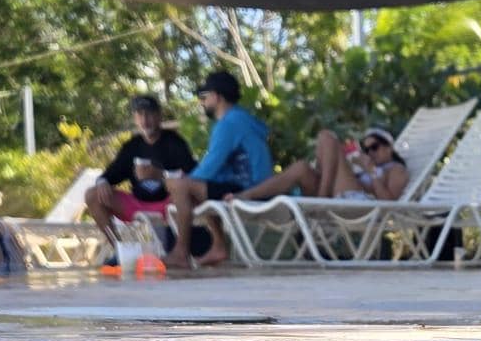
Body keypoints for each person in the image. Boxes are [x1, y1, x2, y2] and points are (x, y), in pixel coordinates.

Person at [163, 70, 273, 268]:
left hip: (249, 190)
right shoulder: (242, 118)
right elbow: (217, 169)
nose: (202, 102)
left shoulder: (229, 123)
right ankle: (218, 246)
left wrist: (181, 183)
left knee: (181, 186)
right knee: (195, 186)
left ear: (218, 96)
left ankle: (180, 252)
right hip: (257, 186)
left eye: (204, 97)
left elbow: (210, 166)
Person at [84, 94, 198, 242]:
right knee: (92, 194)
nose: (145, 120)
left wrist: (160, 175)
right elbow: (110, 174)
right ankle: (120, 249)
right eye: (140, 114)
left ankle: (180, 248)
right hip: (137, 204)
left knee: (186, 193)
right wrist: (103, 182)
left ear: (159, 116)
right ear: (135, 118)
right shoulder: (132, 145)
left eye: (149, 114)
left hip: (168, 205)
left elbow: (193, 178)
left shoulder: (174, 142)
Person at [227, 127, 409, 203]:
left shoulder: (396, 170)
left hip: (360, 201)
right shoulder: (368, 163)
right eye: (366, 148)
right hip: (341, 193)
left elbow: (390, 203)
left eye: (375, 147)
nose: (370, 153)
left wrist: (371, 171)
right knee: (301, 168)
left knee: (328, 137)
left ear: (389, 148)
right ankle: (246, 196)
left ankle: (320, 199)